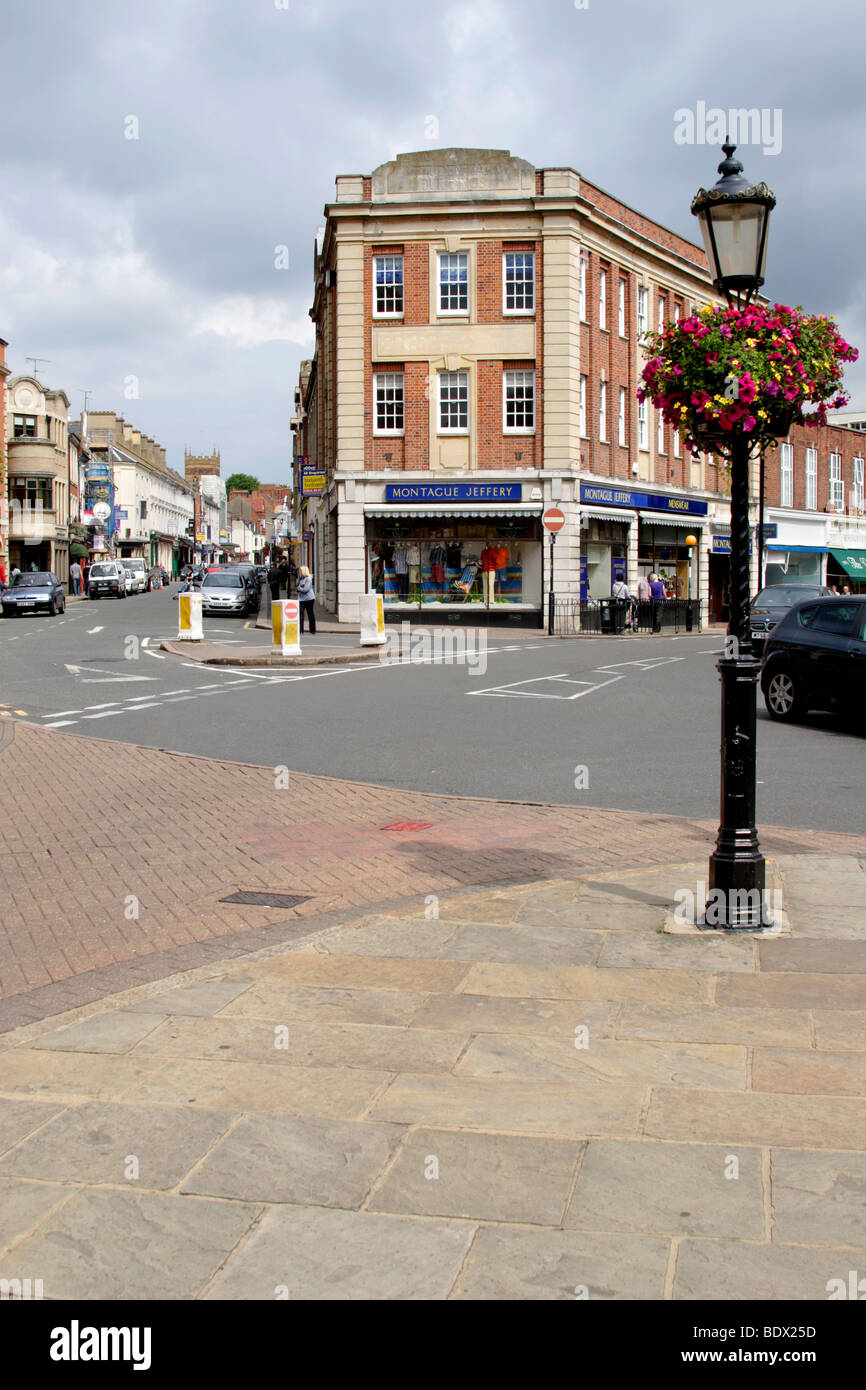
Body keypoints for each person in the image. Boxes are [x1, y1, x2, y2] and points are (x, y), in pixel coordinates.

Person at [296, 565, 316, 634]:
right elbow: (297, 584)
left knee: (310, 614)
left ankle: (312, 630)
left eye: (300, 571)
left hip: (309, 599)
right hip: (301, 599)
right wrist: (298, 579)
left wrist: (299, 588)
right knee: (300, 614)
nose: (299, 572)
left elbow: (306, 589)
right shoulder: (300, 578)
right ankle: (301, 630)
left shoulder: (308, 579)